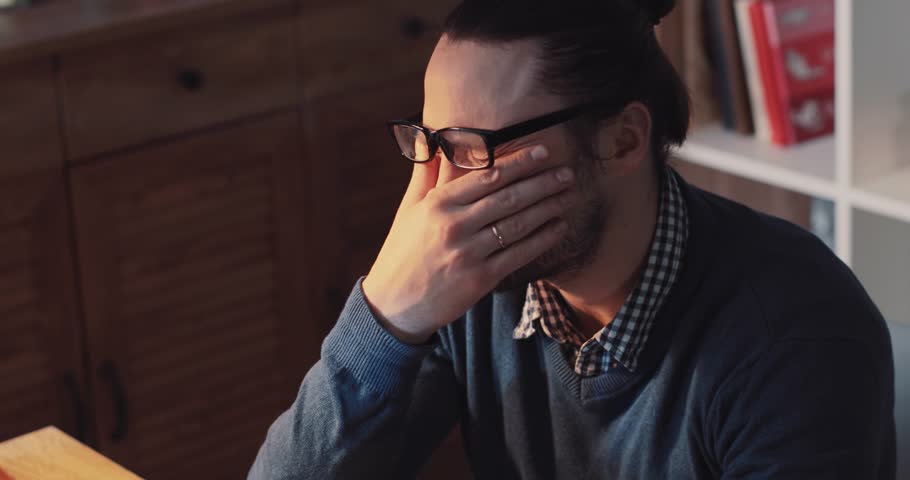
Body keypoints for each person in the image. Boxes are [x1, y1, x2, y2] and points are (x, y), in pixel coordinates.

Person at [249, 0, 896, 478]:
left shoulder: (796, 335)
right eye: (429, 146)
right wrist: (387, 315)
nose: (441, 197)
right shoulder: (466, 286)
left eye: (475, 150)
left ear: (622, 140)